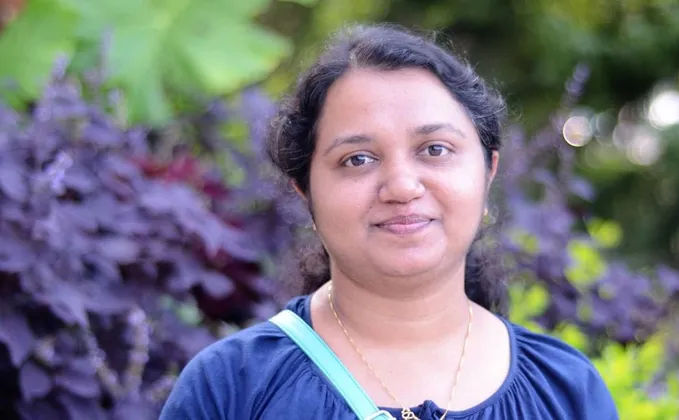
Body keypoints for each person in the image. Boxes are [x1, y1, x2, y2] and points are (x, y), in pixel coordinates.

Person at [159, 23, 618, 420]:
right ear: (305, 192)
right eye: (357, 159)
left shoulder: (565, 390)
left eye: (435, 149)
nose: (401, 186)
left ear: (488, 171)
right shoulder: (232, 388)